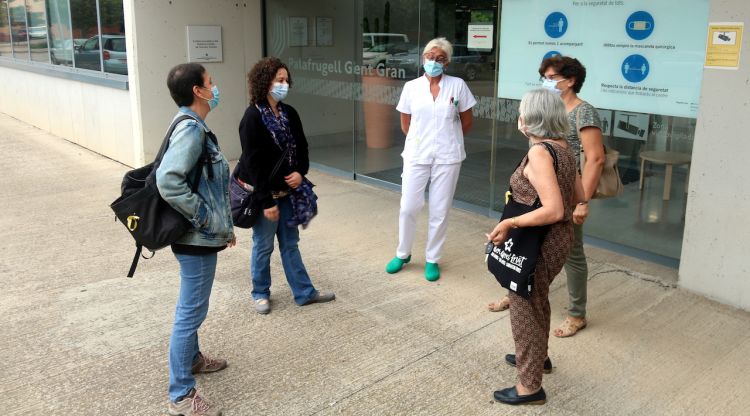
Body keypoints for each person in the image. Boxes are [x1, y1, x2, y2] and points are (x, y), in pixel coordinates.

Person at [487, 56, 604, 337]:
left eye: (552, 77)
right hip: (536, 196)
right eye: (545, 77)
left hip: (562, 196)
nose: (547, 82)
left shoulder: (582, 112)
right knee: (521, 251)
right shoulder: (543, 108)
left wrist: (581, 201)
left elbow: (595, 158)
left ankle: (576, 312)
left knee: (572, 254)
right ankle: (515, 288)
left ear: (571, 80)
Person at [488, 89, 584, 405]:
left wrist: (511, 223)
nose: (518, 118)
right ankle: (537, 358)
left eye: (522, 112)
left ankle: (529, 387)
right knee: (537, 297)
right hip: (558, 239)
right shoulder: (564, 148)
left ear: (531, 118)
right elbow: (579, 192)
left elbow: (555, 209)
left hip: (540, 241)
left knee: (524, 304)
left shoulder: (542, 152)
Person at [157, 63, 235, 416]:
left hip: (200, 236)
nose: (215, 87)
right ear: (197, 91)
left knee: (191, 309)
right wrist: (205, 218)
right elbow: (169, 180)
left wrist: (224, 227)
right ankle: (181, 395)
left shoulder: (192, 125)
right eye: (210, 83)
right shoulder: (191, 130)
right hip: (194, 238)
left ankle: (193, 360)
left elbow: (208, 185)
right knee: (190, 313)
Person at [237, 57, 335, 315]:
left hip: (289, 193)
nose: (284, 84)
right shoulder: (252, 118)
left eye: (285, 80)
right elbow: (253, 164)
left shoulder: (290, 113)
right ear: (264, 82)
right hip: (267, 196)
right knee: (263, 245)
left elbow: (302, 148)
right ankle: (260, 293)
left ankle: (304, 293)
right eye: (278, 80)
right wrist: (266, 201)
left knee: (290, 243)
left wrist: (300, 173)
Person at [385, 37, 476, 281]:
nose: (434, 61)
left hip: (448, 156)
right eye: (430, 57)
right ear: (423, 58)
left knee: (440, 209)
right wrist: (422, 140)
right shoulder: (411, 87)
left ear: (447, 63)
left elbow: (467, 122)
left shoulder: (457, 86)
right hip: (417, 154)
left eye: (440, 58)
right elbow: (406, 123)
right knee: (409, 206)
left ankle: (432, 258)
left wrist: (448, 137)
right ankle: (403, 253)